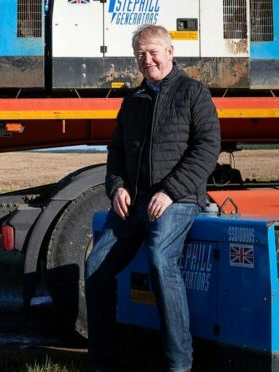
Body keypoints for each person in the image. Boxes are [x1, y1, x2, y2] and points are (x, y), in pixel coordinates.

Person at [84, 24, 220, 372]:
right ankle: (104, 360)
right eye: (140, 54)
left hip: (179, 199)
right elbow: (115, 151)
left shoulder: (194, 93)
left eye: (153, 52)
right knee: (96, 267)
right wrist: (116, 187)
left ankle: (179, 363)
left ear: (170, 52)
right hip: (135, 202)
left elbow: (208, 148)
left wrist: (170, 191)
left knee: (161, 259)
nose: (147, 60)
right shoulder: (133, 100)